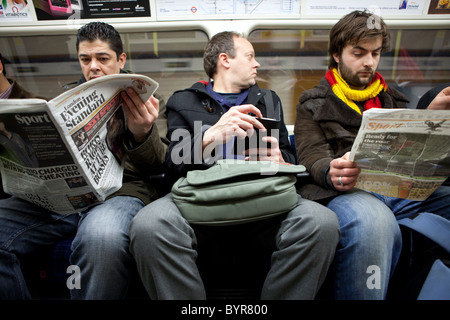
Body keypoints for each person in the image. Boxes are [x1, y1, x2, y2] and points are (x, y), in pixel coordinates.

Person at [129, 31, 340, 300]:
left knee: (320, 222)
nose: (257, 64)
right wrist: (211, 136)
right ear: (225, 60)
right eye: (250, 56)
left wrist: (281, 161)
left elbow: (291, 160)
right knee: (149, 225)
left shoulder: (269, 99)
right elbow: (172, 166)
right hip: (199, 199)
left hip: (264, 197)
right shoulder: (184, 101)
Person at [0, 22, 168, 299]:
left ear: (120, 60)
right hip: (62, 198)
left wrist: (142, 134)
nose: (93, 67)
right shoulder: (63, 98)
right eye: (85, 59)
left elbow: (159, 165)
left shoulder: (147, 98)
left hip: (118, 193)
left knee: (101, 240)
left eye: (102, 59)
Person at [294, 10, 450, 300]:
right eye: (359, 52)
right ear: (337, 55)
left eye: (375, 53)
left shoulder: (396, 98)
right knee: (374, 223)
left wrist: (431, 120)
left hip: (402, 189)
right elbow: (310, 155)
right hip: (349, 192)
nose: (369, 62)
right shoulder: (312, 103)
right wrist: (331, 170)